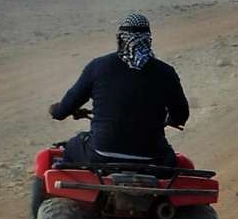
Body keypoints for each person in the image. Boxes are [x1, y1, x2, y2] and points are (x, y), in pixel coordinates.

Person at [48, 12, 189, 167]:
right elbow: (181, 114)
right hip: (151, 157)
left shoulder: (98, 66)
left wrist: (56, 111)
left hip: (101, 154)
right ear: (148, 40)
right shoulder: (165, 72)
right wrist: (169, 120)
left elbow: (65, 108)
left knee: (70, 148)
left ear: (120, 38)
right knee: (177, 163)